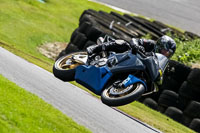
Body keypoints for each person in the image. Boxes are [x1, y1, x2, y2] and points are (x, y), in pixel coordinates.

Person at [86, 35, 176, 91]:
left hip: (137, 67)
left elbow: (159, 72)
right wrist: (137, 46)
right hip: (128, 55)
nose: (165, 54)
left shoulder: (161, 60)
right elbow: (135, 40)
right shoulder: (150, 44)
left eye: (168, 53)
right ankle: (95, 48)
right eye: (165, 51)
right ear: (160, 45)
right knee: (124, 44)